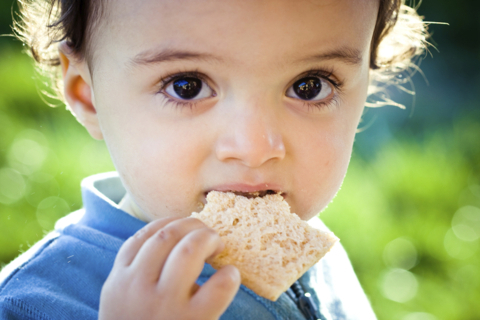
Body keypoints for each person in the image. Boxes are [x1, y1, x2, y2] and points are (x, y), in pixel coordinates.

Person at [0, 0, 427, 319]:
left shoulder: (308, 245)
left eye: (310, 86)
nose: (255, 147)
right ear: (87, 95)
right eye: (187, 86)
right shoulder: (33, 304)